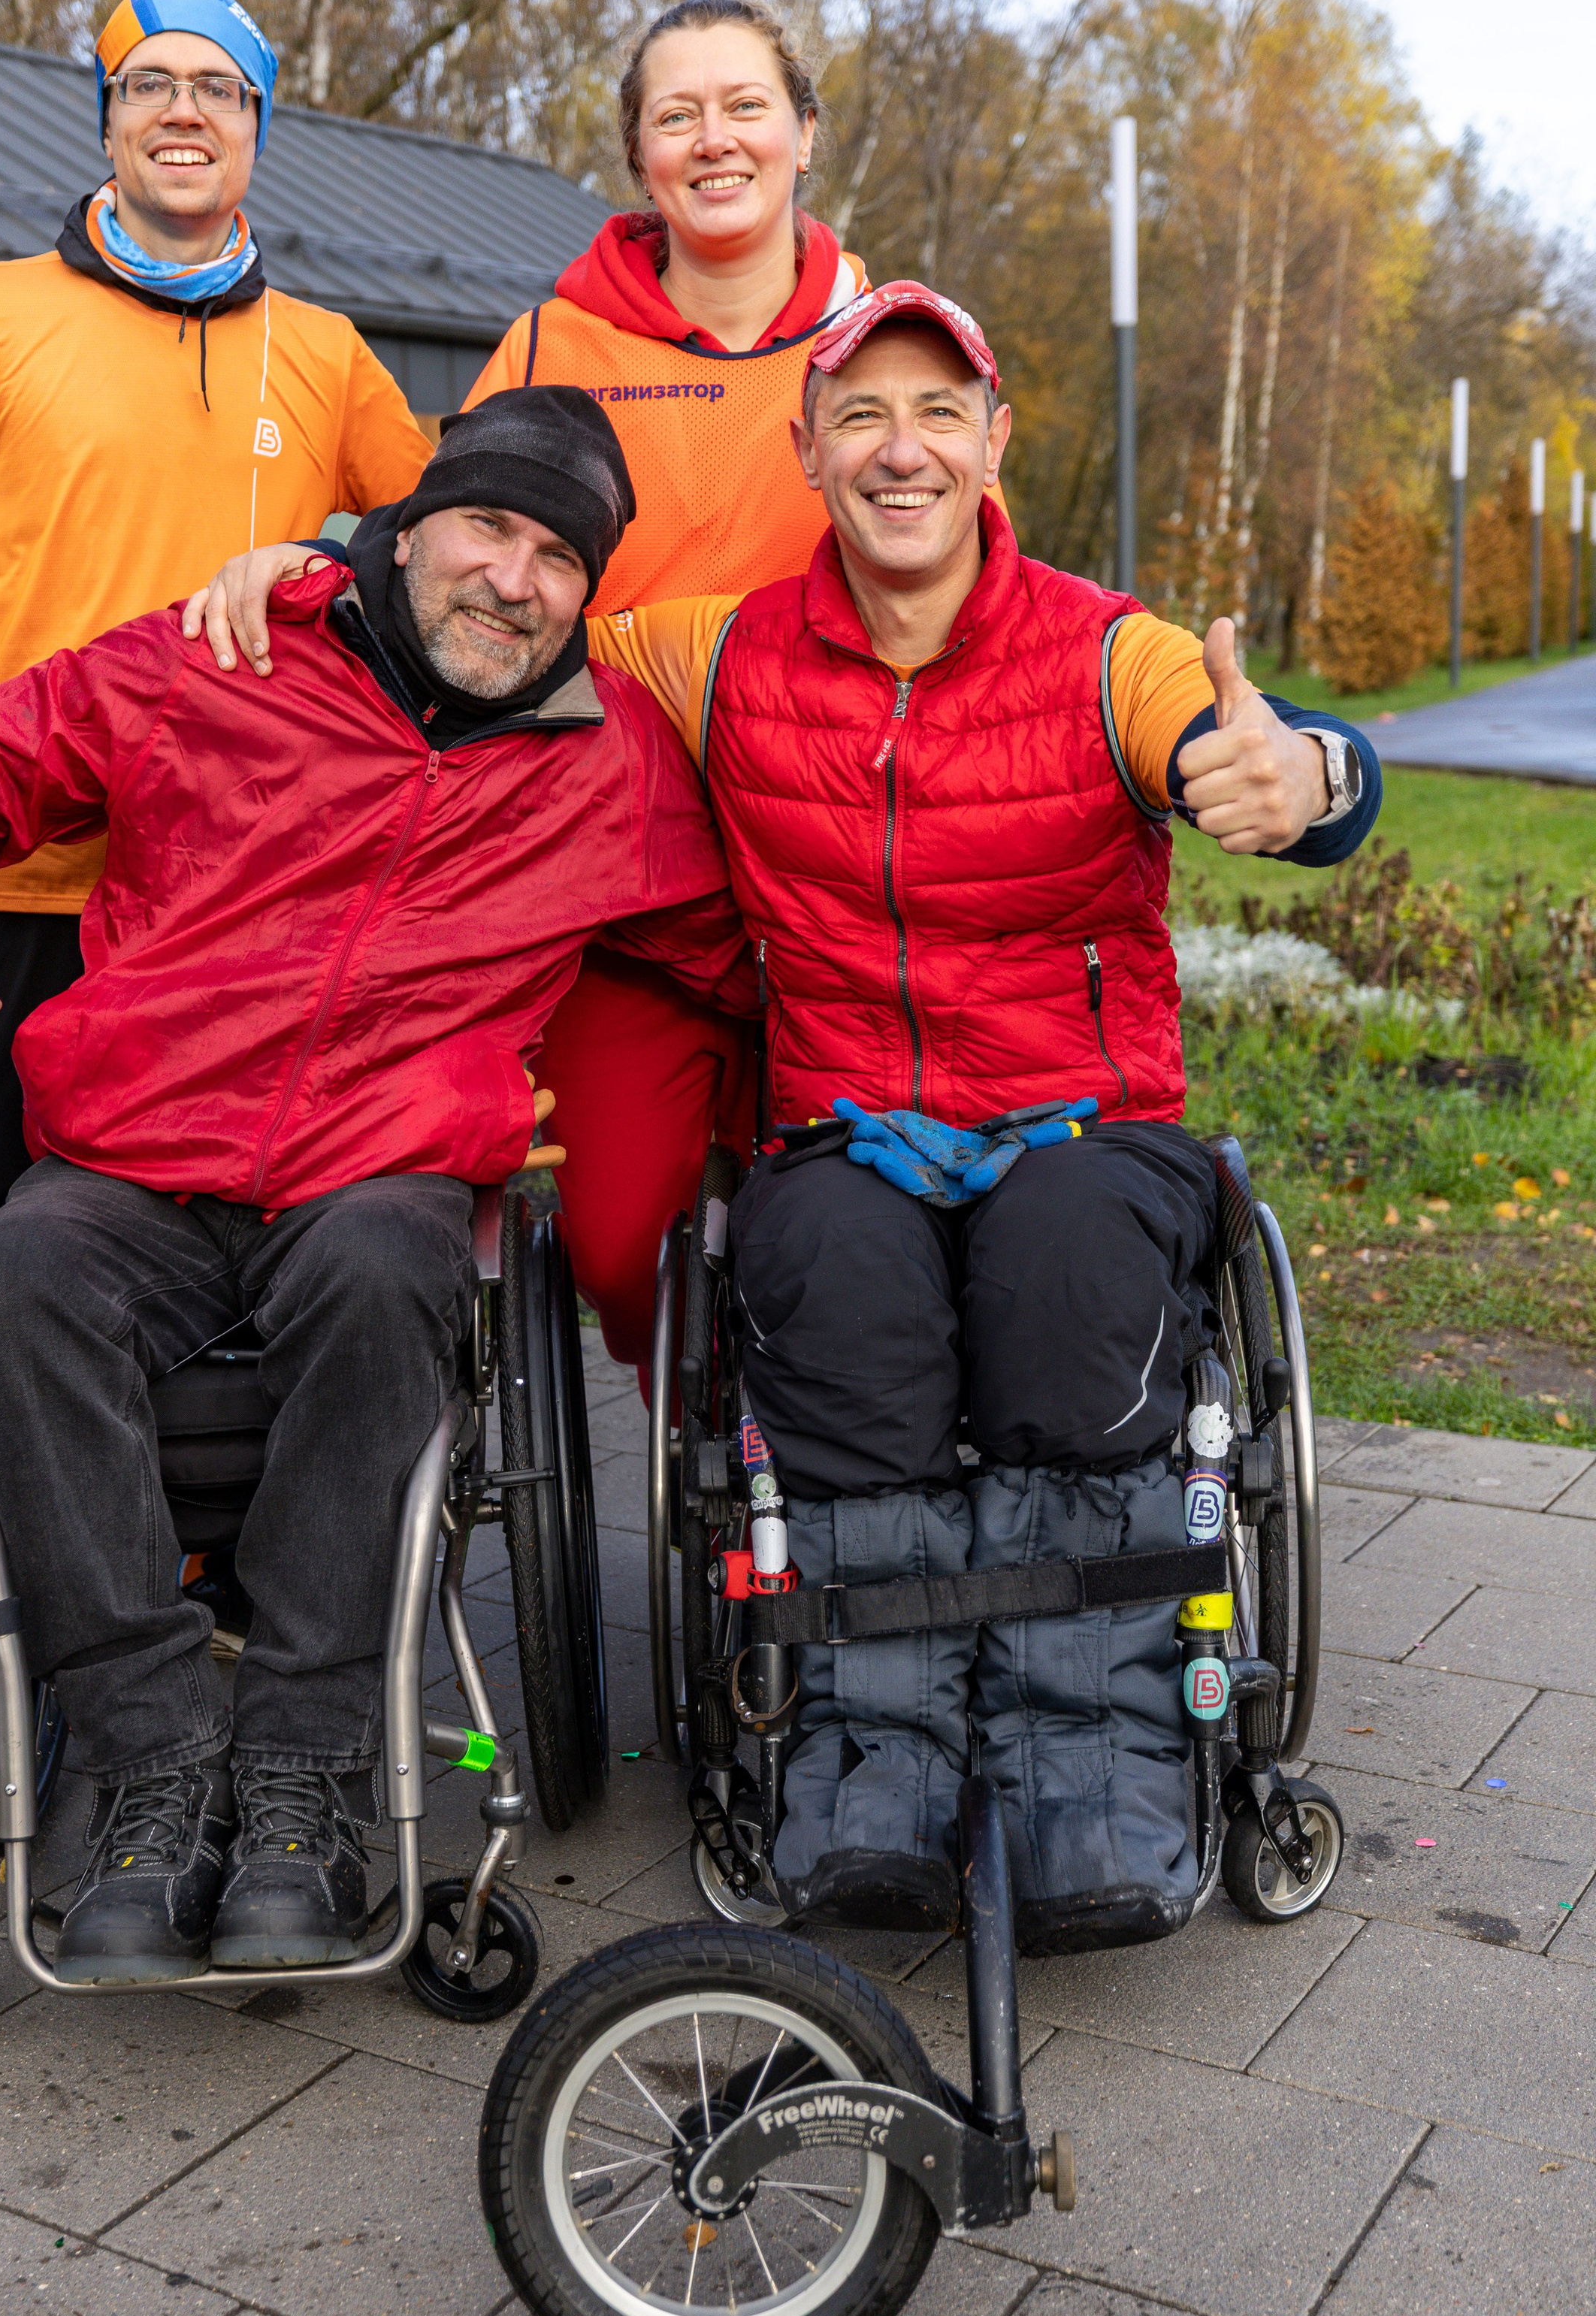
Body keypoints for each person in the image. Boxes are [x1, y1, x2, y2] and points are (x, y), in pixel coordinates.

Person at [244, 283, 1381, 1943]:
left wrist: (1307, 780)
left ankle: (1098, 1771)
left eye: (936, 413)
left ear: (992, 444)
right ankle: (878, 1772)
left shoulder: (1105, 649)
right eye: (858, 415)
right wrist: (314, 568)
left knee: (1060, 1274)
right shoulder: (717, 651)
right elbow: (498, 612)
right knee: (829, 1282)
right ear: (806, 450)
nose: (897, 447)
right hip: (846, 1126)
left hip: (1081, 1122)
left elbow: (1260, 746)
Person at [0, 391, 752, 1983]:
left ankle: (306, 1767)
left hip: (374, 1179)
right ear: (408, 524)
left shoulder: (612, 763)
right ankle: (151, 1753)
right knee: (5, 1277)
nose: (512, 578)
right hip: (137, 1163)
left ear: (588, 594)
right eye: (485, 528)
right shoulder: (220, 655)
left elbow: (758, 943)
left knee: (393, 1268)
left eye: (555, 557)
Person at [184, 0, 868, 1371]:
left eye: (745, 106)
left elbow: (982, 592)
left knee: (848, 1245)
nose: (713, 139)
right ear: (641, 158)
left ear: (803, 133)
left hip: (838, 868)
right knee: (625, 1257)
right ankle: (708, 1457)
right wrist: (311, 558)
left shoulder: (884, 342)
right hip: (622, 870)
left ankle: (802, 1500)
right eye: (676, 115)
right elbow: (445, 543)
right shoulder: (557, 344)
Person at [0, 0, 435, 1349]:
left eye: (217, 89)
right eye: (150, 85)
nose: (182, 112)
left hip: (236, 881)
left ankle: (189, 1543)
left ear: (254, 125)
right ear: (108, 119)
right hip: (24, 875)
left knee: (202, 1251)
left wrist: (340, 565)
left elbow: (438, 544)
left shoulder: (322, 350)